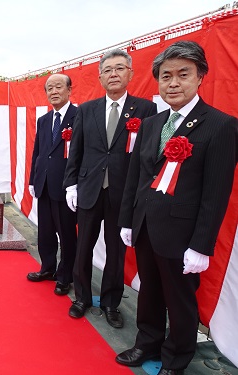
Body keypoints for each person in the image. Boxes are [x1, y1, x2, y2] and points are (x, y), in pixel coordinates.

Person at [115, 41, 237, 375]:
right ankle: (147, 342)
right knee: (148, 291)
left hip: (182, 234)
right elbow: (136, 178)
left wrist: (201, 245)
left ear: (201, 77)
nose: (173, 83)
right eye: (166, 76)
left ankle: (177, 357)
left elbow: (216, 193)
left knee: (180, 302)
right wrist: (128, 220)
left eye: (183, 74)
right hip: (145, 227)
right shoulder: (153, 123)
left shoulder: (221, 125)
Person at [62, 49, 157, 327]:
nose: (113, 74)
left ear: (130, 73)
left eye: (119, 68)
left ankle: (111, 303)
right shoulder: (86, 109)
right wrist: (71, 185)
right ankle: (81, 297)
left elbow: (146, 157)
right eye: (108, 70)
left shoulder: (146, 110)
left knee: (117, 252)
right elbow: (75, 151)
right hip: (89, 190)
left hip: (123, 194)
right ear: (100, 76)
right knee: (83, 248)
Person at [27, 73, 77, 296]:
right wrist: (32, 180)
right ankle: (47, 268)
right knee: (45, 232)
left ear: (69, 90)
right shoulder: (44, 120)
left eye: (58, 87)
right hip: (44, 184)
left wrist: (76, 185)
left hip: (66, 188)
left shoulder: (80, 116)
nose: (54, 91)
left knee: (66, 234)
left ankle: (66, 275)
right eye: (49, 88)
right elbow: (38, 152)